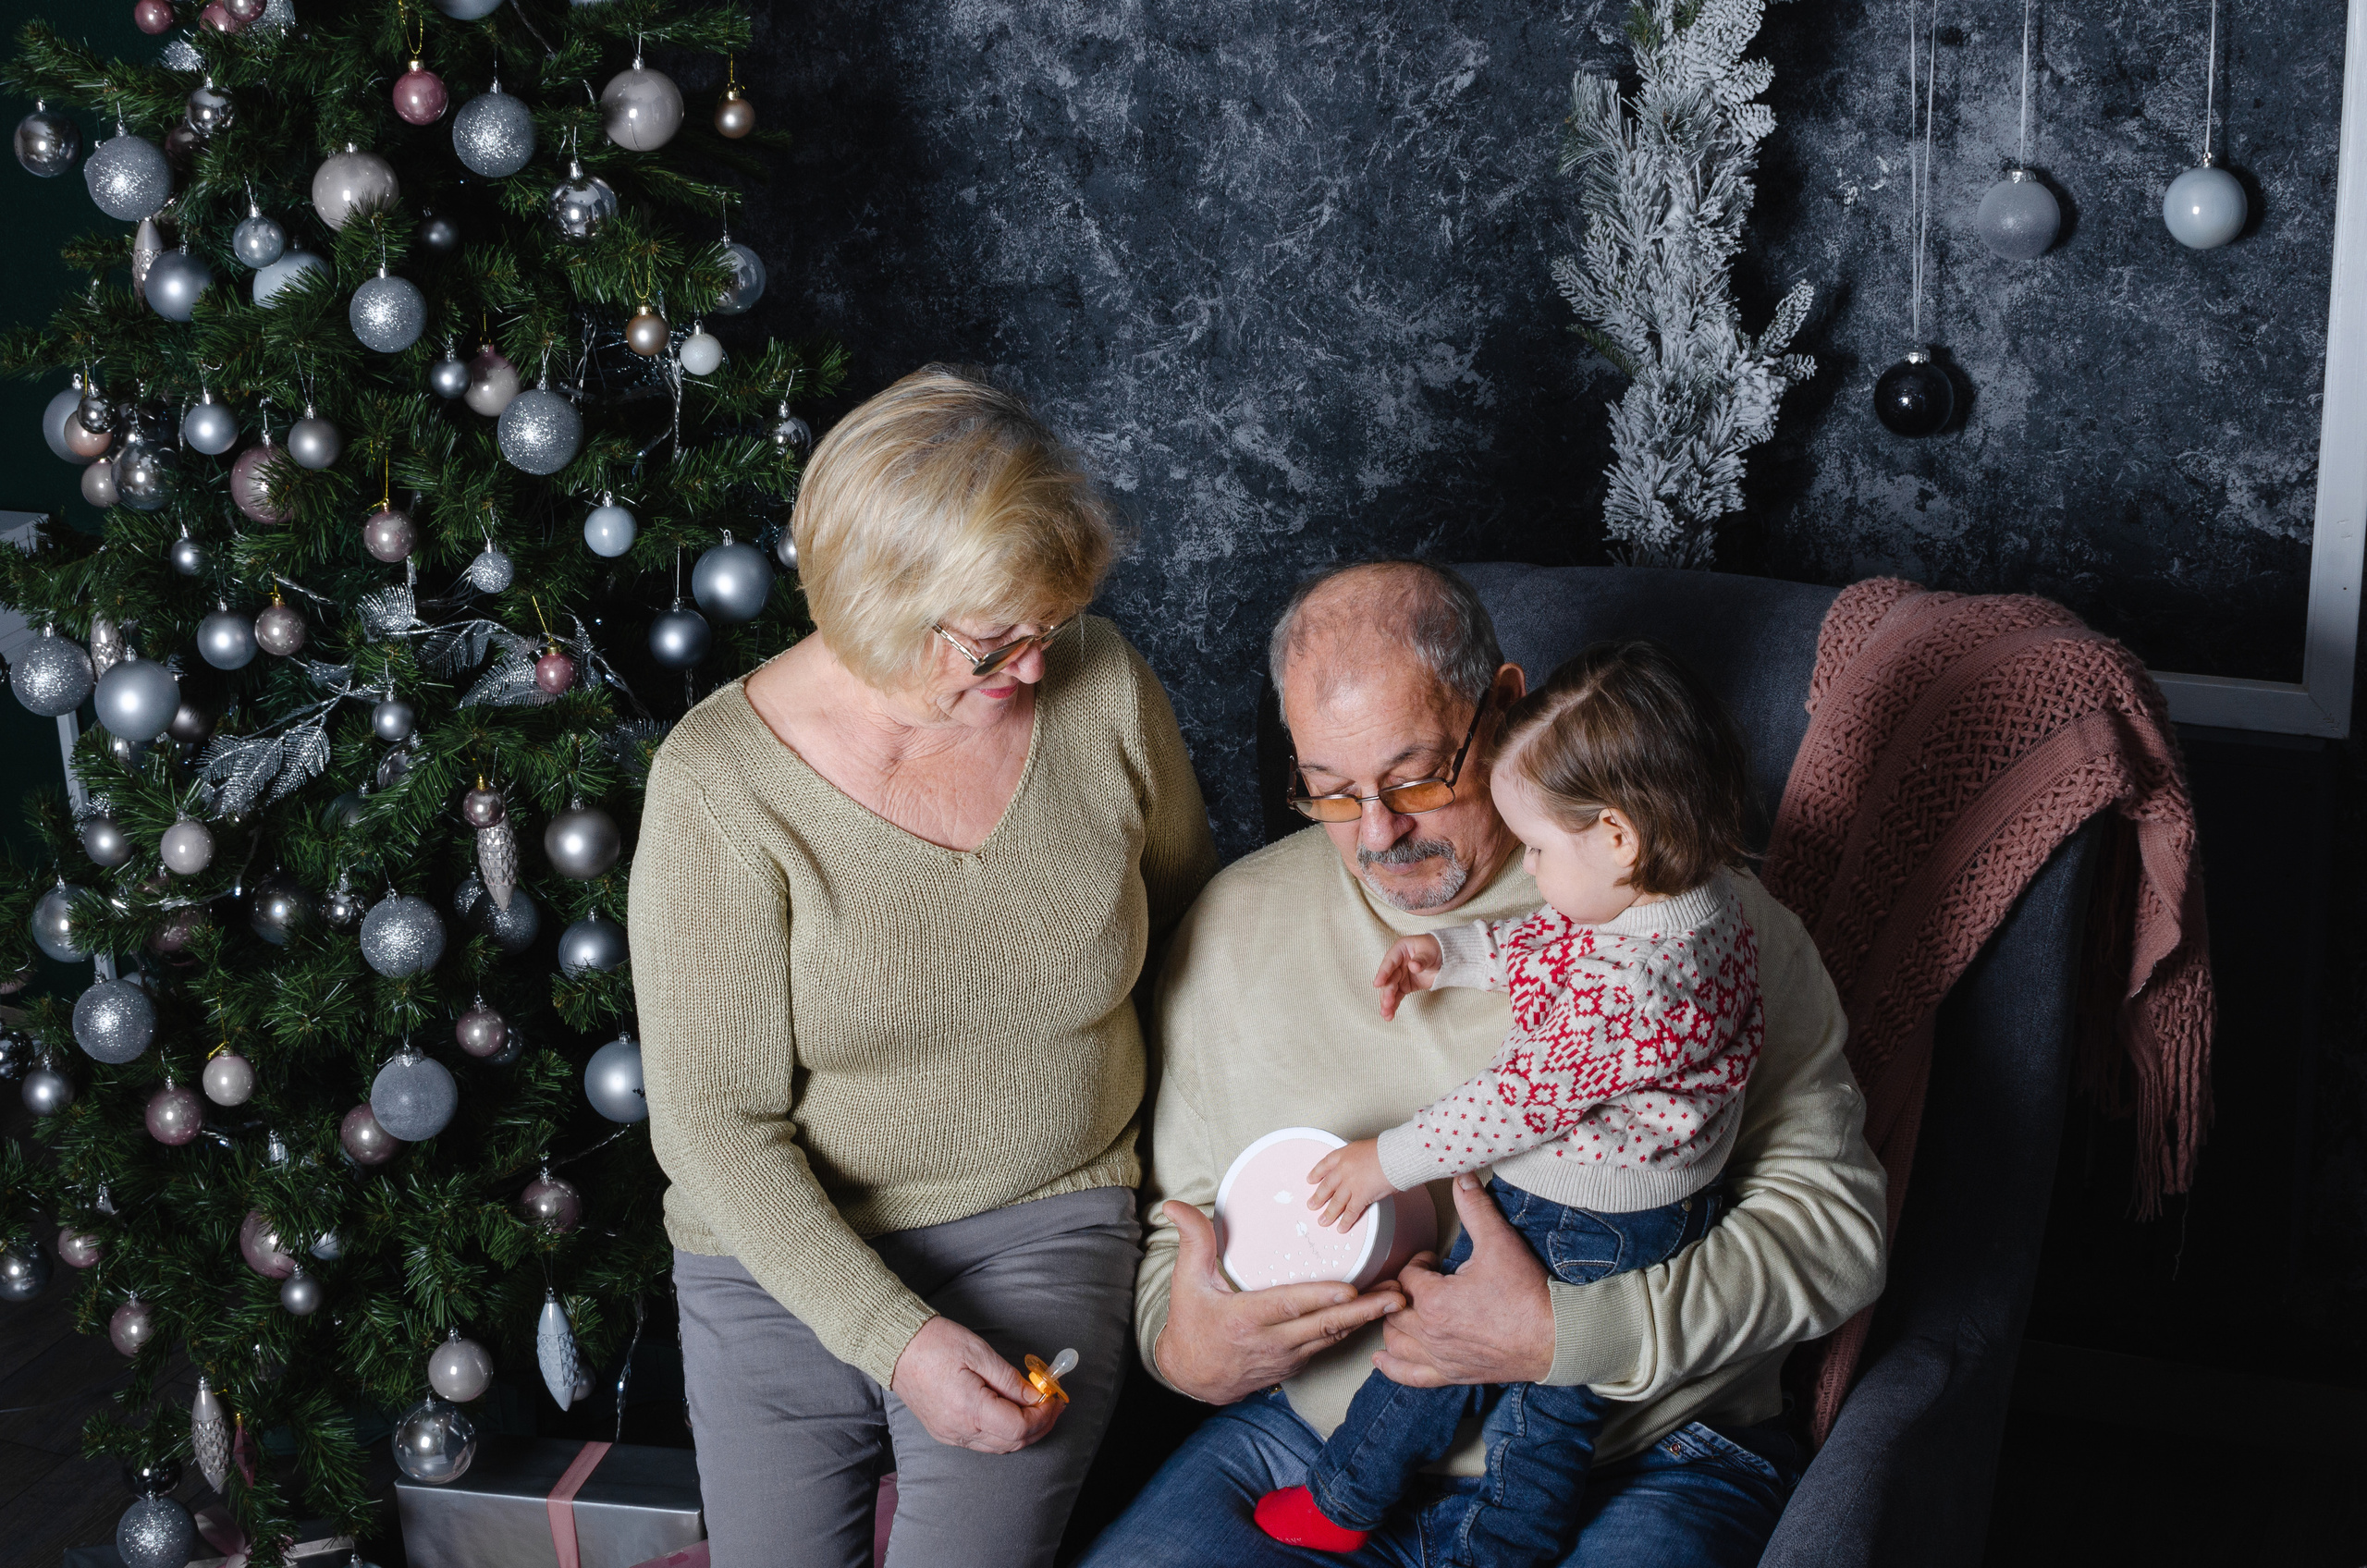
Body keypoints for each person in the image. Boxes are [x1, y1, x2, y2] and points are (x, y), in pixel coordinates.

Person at [1078, 560, 1887, 1568]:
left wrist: (1566, 1335)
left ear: (1504, 707)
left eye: (1416, 776)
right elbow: (1179, 1223)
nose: (1378, 833)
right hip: (1307, 1445)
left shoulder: (1708, 932)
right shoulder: (1233, 928)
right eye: (1329, 793)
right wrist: (1185, 1346)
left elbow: (1837, 1236)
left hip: (1640, 1454)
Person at [630, 365, 1219, 1568]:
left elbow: (1200, 933)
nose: (1037, 671)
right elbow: (713, 1125)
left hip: (1047, 1214)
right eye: (997, 642)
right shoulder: (719, 786)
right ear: (874, 602)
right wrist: (891, 1335)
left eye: (1051, 627)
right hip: (774, 1254)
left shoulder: (1103, 691)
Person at [1256, 641, 1767, 1563]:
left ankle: (1397, 1514)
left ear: (1616, 836)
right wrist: (1450, 955)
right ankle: (1417, 1519)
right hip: (1650, 1201)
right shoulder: (1690, 900)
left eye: (1535, 846)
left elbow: (1516, 1102)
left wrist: (1388, 1160)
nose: (1527, 868)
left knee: (1483, 1384)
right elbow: (1557, 937)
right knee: (1499, 1384)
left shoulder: (1635, 987)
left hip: (1585, 1215)